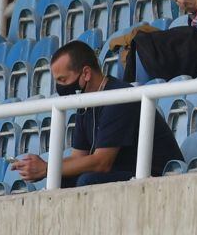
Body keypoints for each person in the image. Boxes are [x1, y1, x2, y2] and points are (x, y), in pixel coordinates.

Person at [11, 41, 183, 187]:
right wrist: (47, 168)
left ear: (86, 73)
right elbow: (79, 158)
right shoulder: (84, 101)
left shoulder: (118, 97)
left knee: (87, 180)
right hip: (124, 174)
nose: (60, 87)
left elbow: (102, 163)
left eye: (63, 80)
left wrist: (47, 168)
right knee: (61, 180)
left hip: (158, 177)